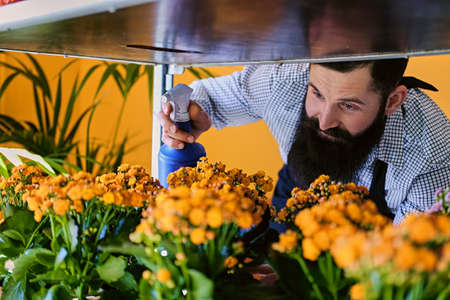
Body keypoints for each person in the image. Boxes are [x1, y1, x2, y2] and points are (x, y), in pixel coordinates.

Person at [158, 59, 450, 225]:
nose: (324, 122)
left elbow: (404, 269)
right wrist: (182, 112)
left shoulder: (431, 153)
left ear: (392, 101)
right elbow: (200, 96)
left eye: (349, 106)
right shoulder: (284, 83)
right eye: (318, 94)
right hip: (298, 189)